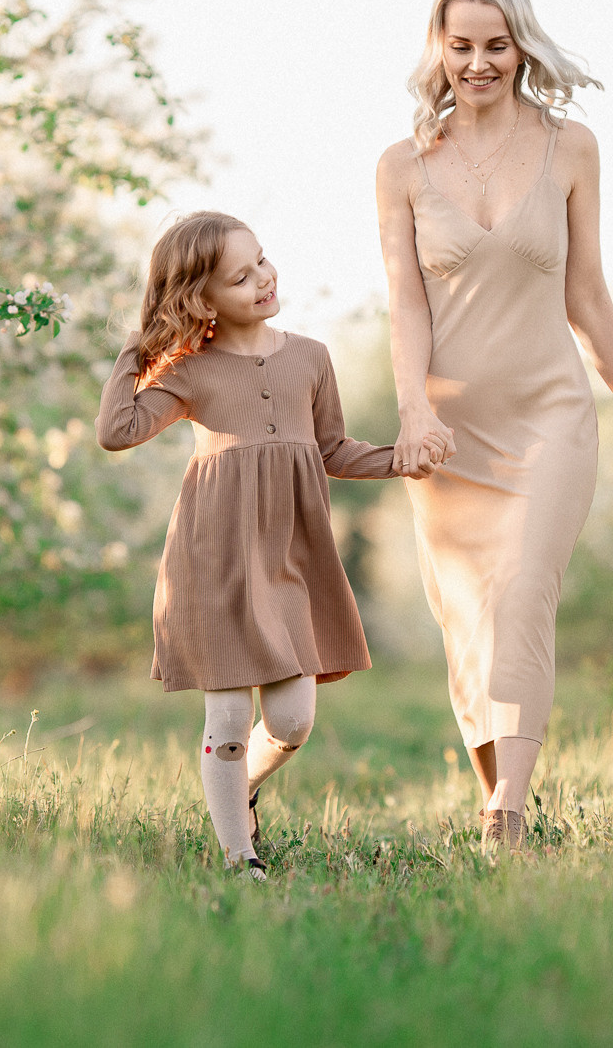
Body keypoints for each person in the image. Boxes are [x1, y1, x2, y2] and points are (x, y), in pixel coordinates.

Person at [374, 0, 613, 853]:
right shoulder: (402, 166)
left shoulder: (571, 148)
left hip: (549, 418)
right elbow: (406, 304)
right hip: (449, 434)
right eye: (461, 46)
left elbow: (587, 289)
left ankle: (511, 809)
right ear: (439, 48)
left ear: (521, 46)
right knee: (469, 619)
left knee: (526, 593)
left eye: (497, 45)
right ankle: (501, 796)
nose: (480, 63)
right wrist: (412, 409)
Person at [97, 211, 425, 879]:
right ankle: (237, 857)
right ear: (203, 296)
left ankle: (242, 786)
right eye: (239, 278)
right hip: (213, 558)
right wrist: (137, 348)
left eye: (263, 262)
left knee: (293, 719)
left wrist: (402, 457)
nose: (263, 280)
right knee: (225, 714)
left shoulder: (310, 357)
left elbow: (332, 447)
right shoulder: (190, 369)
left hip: (289, 559)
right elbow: (118, 429)